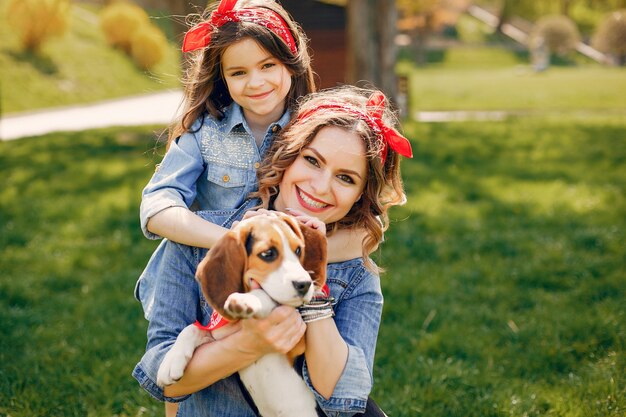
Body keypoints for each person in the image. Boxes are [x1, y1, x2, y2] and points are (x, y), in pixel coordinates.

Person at [133, 86, 413, 416]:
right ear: (287, 156)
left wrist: (313, 277)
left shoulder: (355, 272)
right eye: (312, 160)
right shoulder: (195, 242)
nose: (320, 187)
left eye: (346, 178)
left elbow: (340, 397)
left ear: (359, 196)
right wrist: (248, 343)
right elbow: (163, 379)